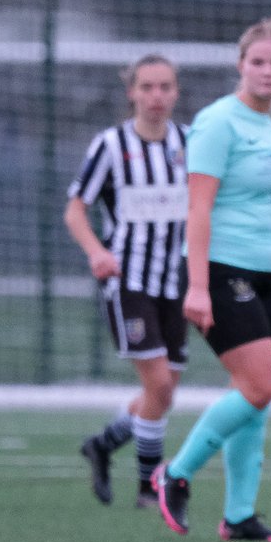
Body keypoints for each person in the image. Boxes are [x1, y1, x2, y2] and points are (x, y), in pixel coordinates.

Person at [152, 16, 271, 542]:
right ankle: (176, 473)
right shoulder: (217, 122)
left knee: (256, 394)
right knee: (259, 384)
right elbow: (199, 209)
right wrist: (196, 285)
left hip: (266, 272)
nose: (268, 71)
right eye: (258, 62)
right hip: (220, 271)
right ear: (240, 65)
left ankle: (238, 516)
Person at [66, 54, 188, 509]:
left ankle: (103, 443)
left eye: (165, 87)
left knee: (165, 391)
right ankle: (148, 487)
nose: (156, 96)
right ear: (131, 92)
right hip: (128, 282)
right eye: (147, 87)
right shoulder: (111, 145)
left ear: (176, 93)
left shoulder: (187, 143)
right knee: (158, 386)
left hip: (172, 283)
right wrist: (98, 251)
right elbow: (75, 208)